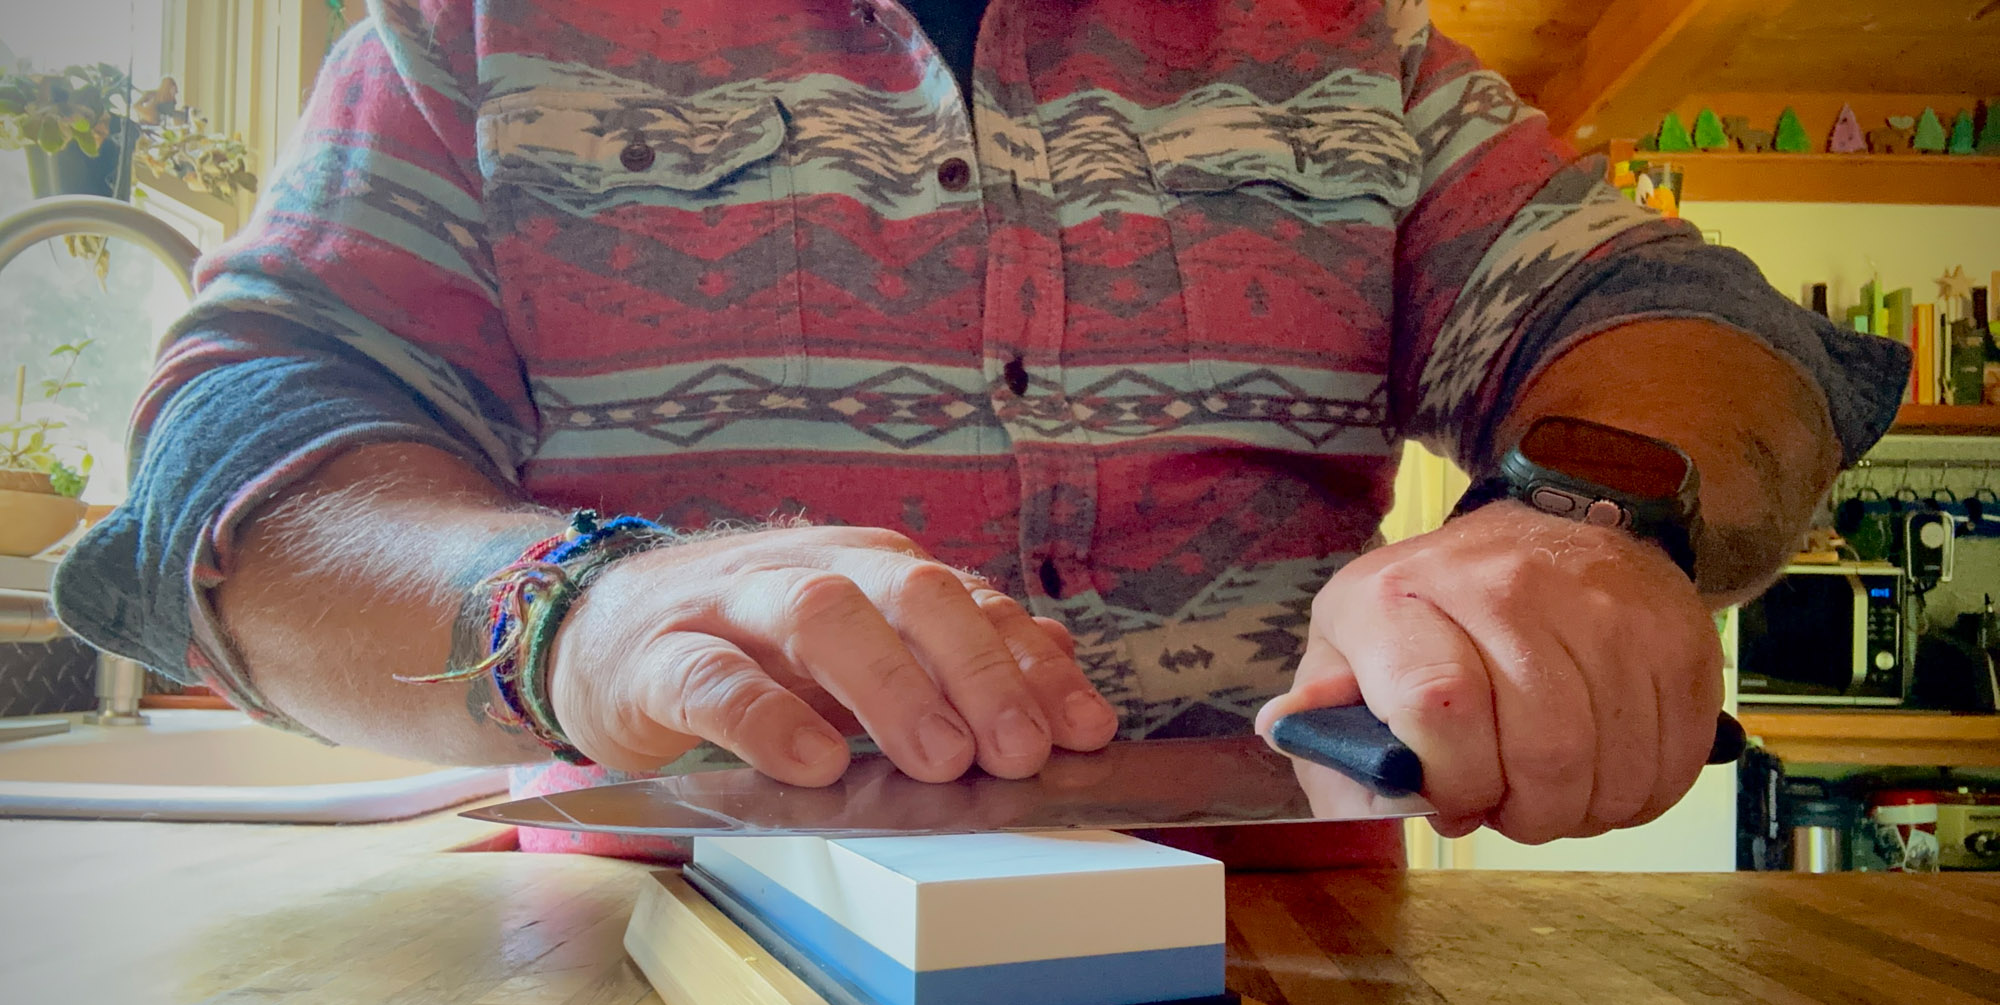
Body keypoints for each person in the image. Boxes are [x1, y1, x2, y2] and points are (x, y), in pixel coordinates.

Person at [53, 0, 1906, 859]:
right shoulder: (481, 29)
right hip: (638, 1003)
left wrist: (1578, 516)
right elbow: (243, 456)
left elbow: (1699, 331)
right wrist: (586, 610)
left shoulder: (1347, 53)